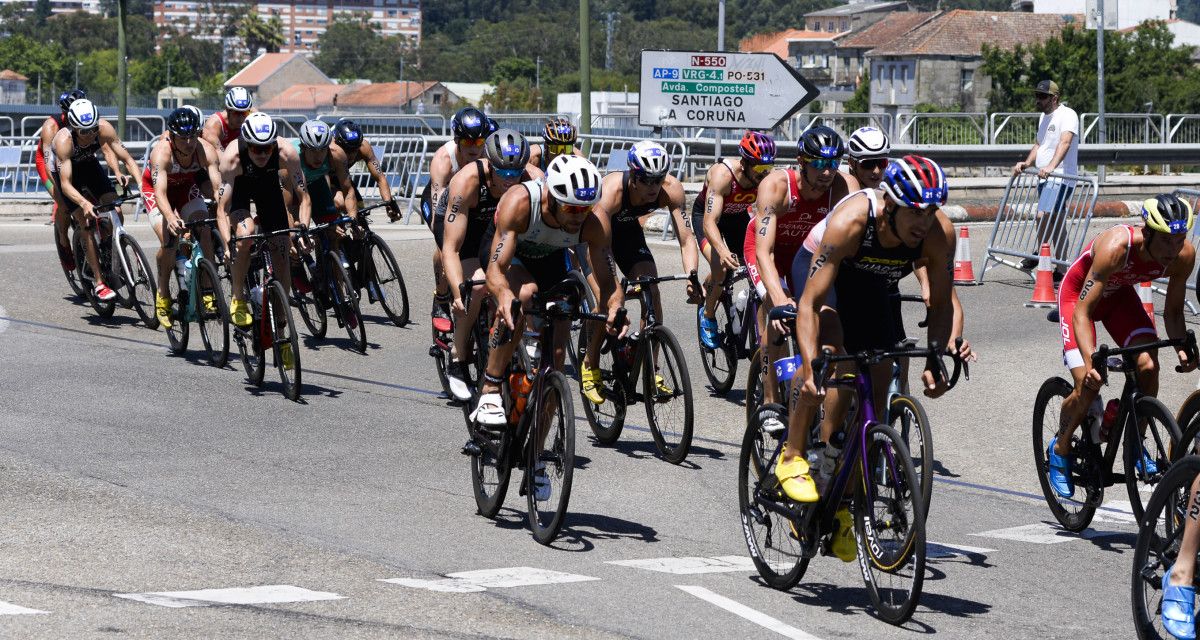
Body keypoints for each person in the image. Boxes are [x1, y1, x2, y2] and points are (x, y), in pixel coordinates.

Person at [781, 156, 958, 562]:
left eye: (931, 210)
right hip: (826, 269)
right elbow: (809, 303)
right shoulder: (852, 222)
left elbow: (944, 303)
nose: (924, 221)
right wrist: (809, 367)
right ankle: (794, 454)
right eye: (915, 210)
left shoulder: (935, 233)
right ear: (891, 205)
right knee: (831, 353)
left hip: (873, 281)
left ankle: (841, 499)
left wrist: (935, 358)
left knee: (878, 384)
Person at [470, 155, 625, 501]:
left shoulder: (592, 220)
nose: (577, 217)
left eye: (583, 209)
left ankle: (536, 458)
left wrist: (615, 308)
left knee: (554, 362)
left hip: (553, 260)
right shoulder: (520, 203)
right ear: (551, 197)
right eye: (570, 209)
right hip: (511, 256)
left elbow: (607, 280)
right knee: (523, 296)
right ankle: (492, 389)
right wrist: (504, 295)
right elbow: (496, 271)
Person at [1048, 194, 1197, 499]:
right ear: (1149, 232)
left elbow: (1172, 313)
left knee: (1147, 365)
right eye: (1168, 240)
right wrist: (1091, 364)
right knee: (1087, 385)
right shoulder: (1117, 246)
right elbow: (1083, 312)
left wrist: (1181, 346)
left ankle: (1135, 445)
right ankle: (1060, 448)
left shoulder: (1183, 256)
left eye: (1180, 239)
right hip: (1078, 299)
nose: (1174, 249)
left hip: (1118, 300)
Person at [744, 126, 852, 430]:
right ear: (801, 162)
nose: (827, 172)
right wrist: (778, 299)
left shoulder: (840, 188)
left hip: (808, 257)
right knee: (776, 316)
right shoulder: (777, 186)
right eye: (818, 164)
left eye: (833, 164)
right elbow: (764, 253)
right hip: (768, 251)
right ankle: (768, 402)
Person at [582, 140, 700, 404]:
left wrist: (692, 276)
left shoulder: (671, 189)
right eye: (646, 180)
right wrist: (616, 289)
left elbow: (686, 238)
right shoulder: (611, 191)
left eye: (658, 180)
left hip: (627, 233)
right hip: (595, 236)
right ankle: (590, 366)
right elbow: (600, 247)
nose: (653, 187)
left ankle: (652, 371)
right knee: (607, 297)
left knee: (651, 289)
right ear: (633, 176)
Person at [442, 129, 542, 400]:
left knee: (527, 288)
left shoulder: (534, 179)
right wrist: (455, 291)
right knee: (474, 288)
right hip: (470, 238)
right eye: (504, 174)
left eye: (516, 173)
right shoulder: (467, 181)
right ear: (489, 164)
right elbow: (450, 248)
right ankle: (458, 355)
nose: (511, 180)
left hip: (505, 236)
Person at [215, 111, 311, 373]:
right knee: (245, 237)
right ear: (247, 143)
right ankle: (237, 295)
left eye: (267, 147)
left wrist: (302, 229)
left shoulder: (287, 153)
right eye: (256, 148)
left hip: (269, 191)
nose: (262, 153)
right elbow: (222, 211)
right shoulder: (233, 157)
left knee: (282, 255)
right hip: (241, 193)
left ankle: (282, 332)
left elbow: (304, 198)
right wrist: (226, 244)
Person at [51, 99, 142, 302]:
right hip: (66, 172)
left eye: (92, 129)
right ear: (74, 128)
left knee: (115, 210)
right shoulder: (64, 142)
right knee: (86, 223)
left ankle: (110, 250)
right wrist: (84, 203)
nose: (90, 135)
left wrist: (142, 186)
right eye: (84, 132)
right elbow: (66, 185)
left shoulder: (103, 128)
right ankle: (100, 283)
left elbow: (126, 158)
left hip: (88, 164)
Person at [695, 130, 776, 350]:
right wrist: (722, 251)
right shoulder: (723, 176)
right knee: (722, 265)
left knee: (759, 263)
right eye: (759, 168)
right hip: (708, 218)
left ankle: (734, 299)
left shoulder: (764, 177)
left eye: (767, 168)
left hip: (736, 217)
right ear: (745, 163)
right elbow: (710, 222)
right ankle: (708, 314)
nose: (764, 174)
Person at [143, 107, 223, 328]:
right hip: (158, 191)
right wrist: (170, 217)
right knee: (169, 242)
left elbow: (216, 185)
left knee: (204, 229)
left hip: (186, 187)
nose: (188, 142)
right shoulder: (161, 152)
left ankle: (208, 290)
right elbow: (159, 192)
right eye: (182, 137)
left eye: (192, 136)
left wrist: (221, 204)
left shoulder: (205, 149)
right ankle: (163, 292)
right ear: (172, 135)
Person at [422, 107, 490, 328]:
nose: (474, 148)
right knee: (446, 248)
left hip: (471, 201)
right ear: (457, 140)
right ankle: (441, 298)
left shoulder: (489, 153)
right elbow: (438, 216)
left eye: (479, 143)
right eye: (468, 143)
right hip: (440, 200)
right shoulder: (444, 160)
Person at [1012, 79, 1079, 275]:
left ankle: (1040, 254)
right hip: (1045, 178)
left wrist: (1051, 166)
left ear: (1054, 98)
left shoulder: (1068, 115)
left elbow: (1065, 143)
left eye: (1042, 96)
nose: (1038, 100)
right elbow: (1039, 144)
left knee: (1042, 215)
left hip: (1060, 178)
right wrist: (1026, 163)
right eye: (1037, 96)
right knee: (1057, 223)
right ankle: (1061, 268)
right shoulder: (1044, 117)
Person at [39, 89, 86, 272]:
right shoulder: (52, 126)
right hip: (47, 162)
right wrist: (59, 191)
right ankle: (63, 239)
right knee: (64, 203)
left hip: (71, 157)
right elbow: (48, 160)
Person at [329, 119, 401, 222]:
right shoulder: (330, 151)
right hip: (324, 178)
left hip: (342, 177)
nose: (351, 155)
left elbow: (380, 178)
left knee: (360, 211)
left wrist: (388, 203)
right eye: (347, 150)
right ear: (337, 144)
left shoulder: (364, 147)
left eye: (355, 149)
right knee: (340, 203)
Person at [203, 86, 254, 152]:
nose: (241, 118)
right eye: (237, 113)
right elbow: (218, 155)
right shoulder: (215, 124)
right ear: (228, 110)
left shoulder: (253, 116)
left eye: (245, 113)